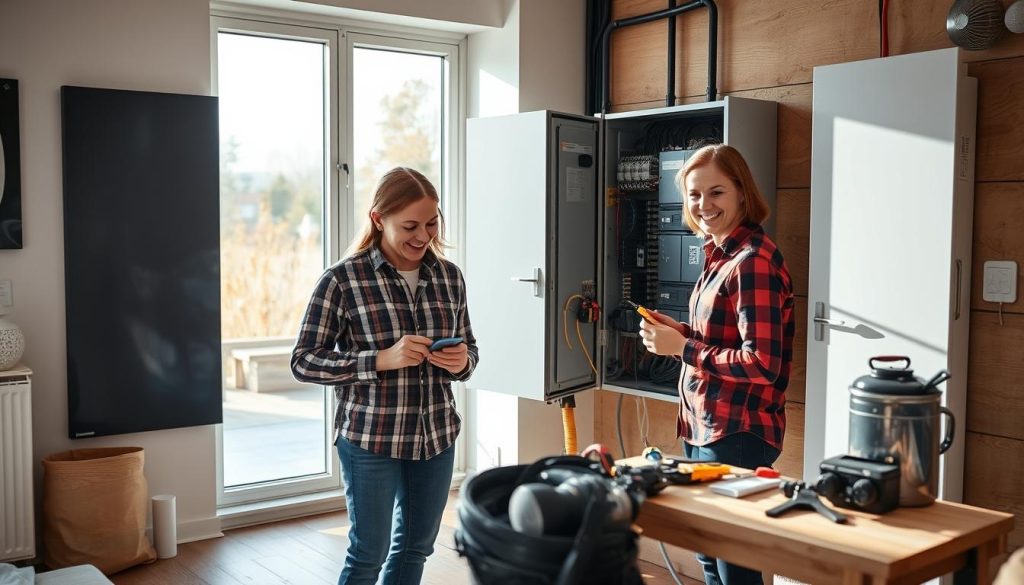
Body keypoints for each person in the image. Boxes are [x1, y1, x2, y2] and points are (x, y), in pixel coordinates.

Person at [291, 167, 478, 585]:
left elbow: (470, 351)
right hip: (371, 439)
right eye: (409, 226)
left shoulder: (449, 277)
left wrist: (461, 361)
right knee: (367, 555)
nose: (423, 236)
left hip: (436, 436)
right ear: (378, 219)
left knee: (415, 550)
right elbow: (303, 361)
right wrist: (379, 360)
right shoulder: (342, 280)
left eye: (431, 223)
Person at [639, 144, 794, 585]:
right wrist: (682, 333)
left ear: (743, 193)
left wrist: (682, 349)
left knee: (734, 567)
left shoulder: (752, 263)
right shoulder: (720, 253)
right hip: (705, 426)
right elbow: (726, 341)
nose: (703, 205)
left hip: (737, 434)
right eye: (693, 194)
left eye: (716, 193)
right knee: (712, 558)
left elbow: (762, 363)